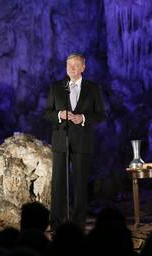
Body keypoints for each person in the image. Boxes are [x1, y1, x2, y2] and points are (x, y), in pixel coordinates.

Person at [44, 53, 105, 229]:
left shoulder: (93, 88)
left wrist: (84, 118)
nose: (71, 68)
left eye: (76, 65)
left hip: (83, 142)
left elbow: (101, 114)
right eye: (69, 65)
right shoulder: (56, 87)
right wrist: (59, 115)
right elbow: (46, 113)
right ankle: (57, 224)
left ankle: (78, 224)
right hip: (61, 140)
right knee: (58, 184)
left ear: (83, 67)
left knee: (80, 185)